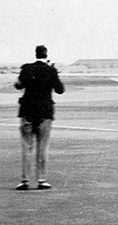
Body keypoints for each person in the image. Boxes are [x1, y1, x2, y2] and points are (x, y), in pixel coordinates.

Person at [15, 45, 65, 190]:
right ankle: (41, 180)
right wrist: (53, 72)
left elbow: (18, 85)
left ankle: (24, 180)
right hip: (44, 112)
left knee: (26, 147)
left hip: (27, 111)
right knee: (42, 147)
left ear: (36, 54)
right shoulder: (51, 70)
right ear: (46, 54)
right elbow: (60, 90)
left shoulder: (26, 69)